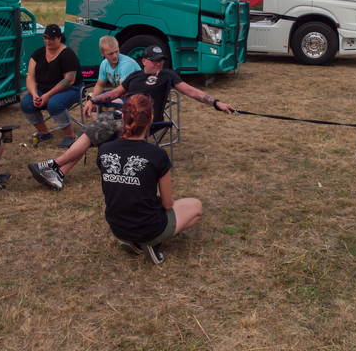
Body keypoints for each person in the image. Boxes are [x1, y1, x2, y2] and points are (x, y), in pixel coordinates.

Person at [27, 44, 235, 190]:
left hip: (145, 120)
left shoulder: (166, 76)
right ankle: (59, 174)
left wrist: (216, 103)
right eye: (154, 61)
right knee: (89, 131)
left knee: (94, 130)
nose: (159, 64)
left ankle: (54, 165)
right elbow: (114, 94)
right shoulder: (134, 77)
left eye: (161, 60)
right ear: (144, 61)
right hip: (122, 115)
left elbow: (192, 92)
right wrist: (94, 100)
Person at [97, 93, 202, 264]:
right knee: (196, 206)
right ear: (151, 118)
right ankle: (152, 243)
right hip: (148, 227)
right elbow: (168, 204)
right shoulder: (157, 155)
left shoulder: (104, 149)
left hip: (117, 226)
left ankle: (135, 241)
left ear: (123, 116)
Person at [20, 25, 85, 148]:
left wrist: (48, 95)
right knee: (26, 103)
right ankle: (44, 133)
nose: (47, 41)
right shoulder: (38, 54)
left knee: (54, 103)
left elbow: (69, 80)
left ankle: (70, 136)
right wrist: (34, 95)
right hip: (43, 89)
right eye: (45, 38)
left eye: (51, 38)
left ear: (59, 38)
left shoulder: (68, 55)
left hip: (71, 88)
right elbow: (30, 77)